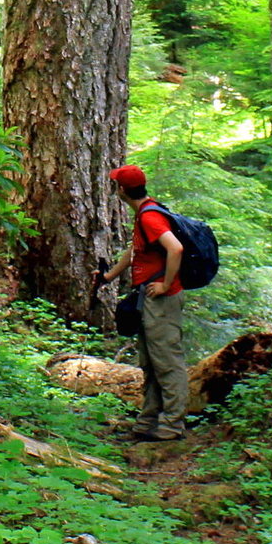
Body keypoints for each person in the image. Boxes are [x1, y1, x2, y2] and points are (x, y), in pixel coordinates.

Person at [100, 164, 188, 442]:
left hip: (161, 299)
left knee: (167, 362)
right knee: (150, 362)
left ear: (123, 190)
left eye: (117, 185)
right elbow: (137, 250)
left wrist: (164, 284)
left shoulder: (150, 217)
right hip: (148, 298)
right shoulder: (146, 213)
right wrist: (109, 275)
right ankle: (148, 421)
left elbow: (176, 248)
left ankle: (172, 424)